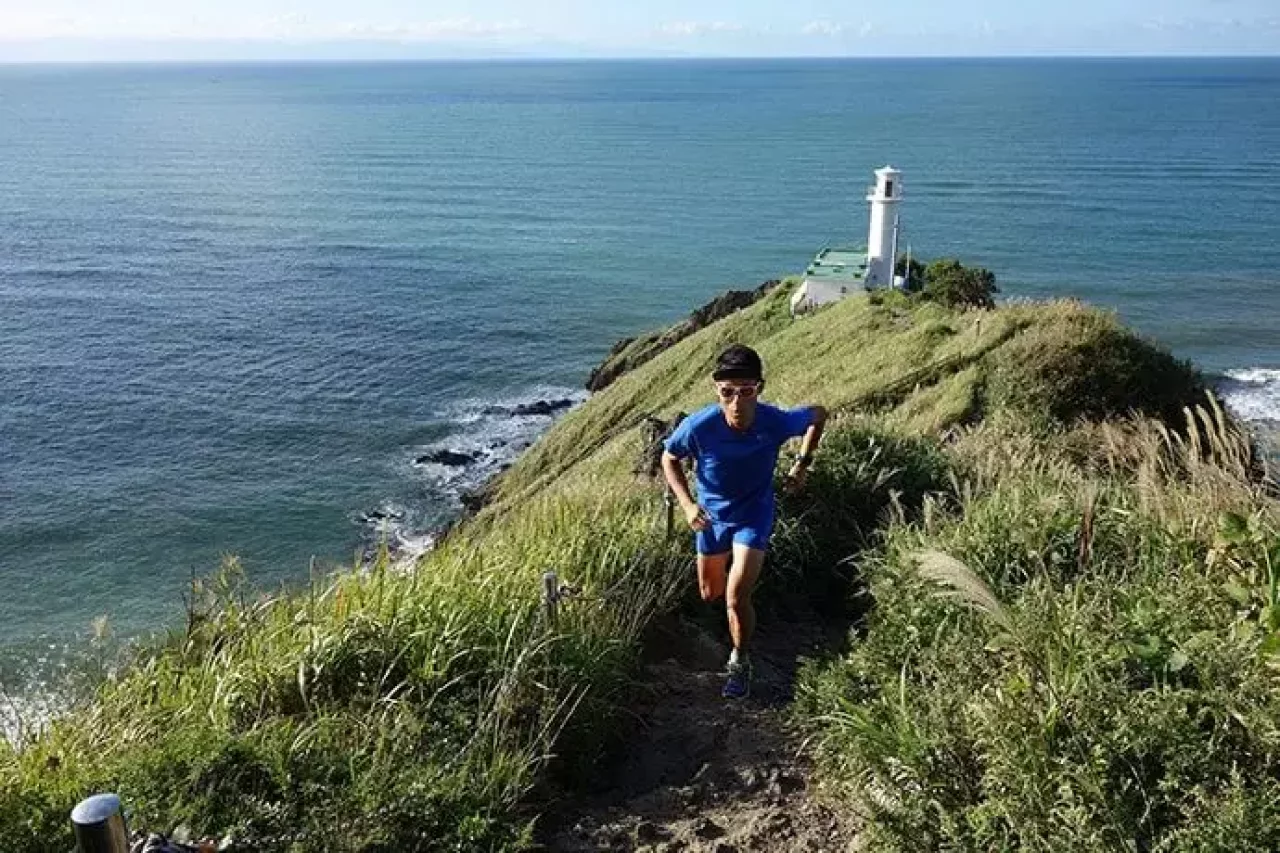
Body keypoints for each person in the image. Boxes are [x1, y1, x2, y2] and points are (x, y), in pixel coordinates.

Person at [661, 344, 827, 699]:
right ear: (716, 390)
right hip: (710, 519)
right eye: (728, 392)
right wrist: (688, 505)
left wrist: (801, 464)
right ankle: (732, 618)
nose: (737, 402)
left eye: (746, 391)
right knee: (711, 594)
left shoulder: (776, 421)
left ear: (759, 388)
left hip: (754, 513)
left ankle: (739, 660)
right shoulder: (698, 426)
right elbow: (669, 458)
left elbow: (818, 415)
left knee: (736, 596)